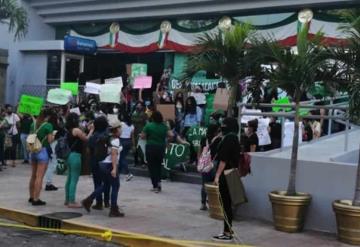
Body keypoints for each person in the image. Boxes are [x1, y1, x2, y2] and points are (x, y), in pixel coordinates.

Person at [82, 119, 124, 217]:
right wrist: (114, 168)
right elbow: (114, 154)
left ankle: (88, 200)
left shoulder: (108, 137)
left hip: (103, 163)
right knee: (115, 186)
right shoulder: (116, 140)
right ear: (116, 129)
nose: (121, 129)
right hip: (110, 164)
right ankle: (114, 209)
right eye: (120, 128)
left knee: (105, 185)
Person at [213, 117, 241, 242]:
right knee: (228, 204)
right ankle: (228, 230)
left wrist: (217, 175)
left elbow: (223, 159)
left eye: (224, 124)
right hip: (233, 173)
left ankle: (227, 232)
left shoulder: (229, 138)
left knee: (226, 204)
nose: (222, 126)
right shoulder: (234, 137)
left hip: (226, 174)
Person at [65, 113, 94, 208]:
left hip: (69, 156)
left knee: (69, 178)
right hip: (76, 156)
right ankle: (71, 201)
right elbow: (86, 139)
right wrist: (91, 131)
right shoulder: (76, 130)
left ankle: (67, 199)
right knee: (74, 179)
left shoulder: (69, 130)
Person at [141, 111, 173, 193]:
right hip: (161, 148)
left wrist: (148, 136)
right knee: (158, 166)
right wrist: (167, 142)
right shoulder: (164, 126)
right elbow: (171, 135)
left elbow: (143, 136)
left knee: (152, 167)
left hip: (151, 147)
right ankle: (159, 183)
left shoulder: (148, 126)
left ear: (153, 118)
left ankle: (155, 185)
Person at [29, 109, 54, 206]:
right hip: (43, 151)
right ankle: (36, 199)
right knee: (40, 177)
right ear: (46, 117)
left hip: (33, 150)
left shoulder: (33, 125)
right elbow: (50, 140)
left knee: (33, 175)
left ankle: (31, 196)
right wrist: (53, 136)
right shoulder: (48, 126)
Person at [87, 116, 110, 210]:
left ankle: (99, 203)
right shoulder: (108, 136)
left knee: (97, 182)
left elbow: (89, 150)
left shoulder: (93, 137)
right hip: (107, 162)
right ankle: (107, 202)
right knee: (107, 182)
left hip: (95, 161)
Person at [198, 123, 221, 211]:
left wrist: (199, 161)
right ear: (216, 131)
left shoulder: (204, 138)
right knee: (214, 184)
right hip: (214, 163)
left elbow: (199, 150)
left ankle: (203, 203)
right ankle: (212, 203)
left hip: (204, 163)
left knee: (204, 183)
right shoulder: (219, 139)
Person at [119, 113, 134, 182]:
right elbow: (132, 136)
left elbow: (119, 132)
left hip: (122, 141)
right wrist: (133, 145)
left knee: (122, 158)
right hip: (129, 141)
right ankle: (118, 172)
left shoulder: (121, 124)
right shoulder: (132, 126)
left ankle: (128, 173)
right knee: (122, 157)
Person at [131, 101, 148, 166]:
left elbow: (146, 122)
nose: (138, 106)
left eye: (140, 105)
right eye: (137, 105)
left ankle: (143, 162)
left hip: (141, 131)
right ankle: (135, 161)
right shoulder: (133, 113)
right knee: (134, 146)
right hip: (134, 131)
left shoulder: (144, 113)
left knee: (141, 147)